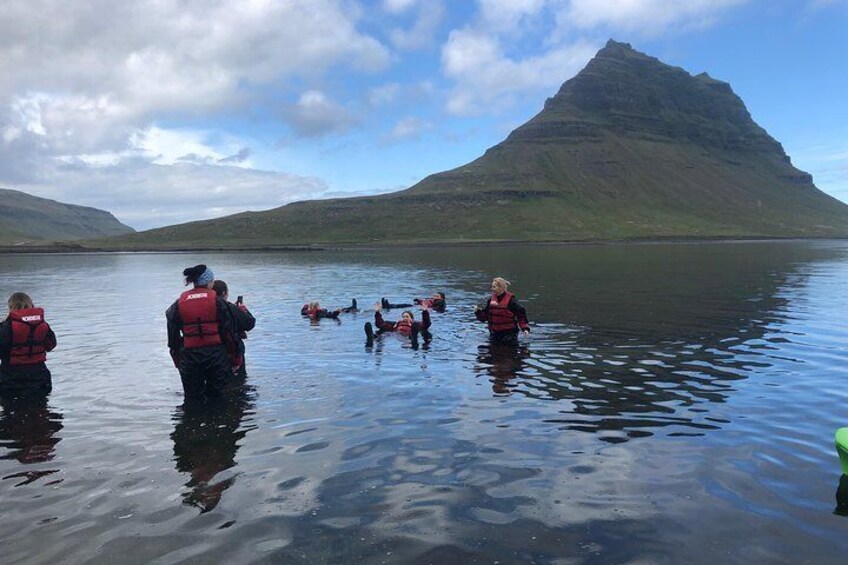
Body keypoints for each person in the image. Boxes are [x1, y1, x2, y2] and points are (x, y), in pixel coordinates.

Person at [166, 265, 236, 400]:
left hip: (190, 357)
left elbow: (173, 336)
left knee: (192, 399)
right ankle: (218, 419)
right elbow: (228, 333)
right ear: (209, 282)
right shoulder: (218, 302)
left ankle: (192, 419)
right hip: (215, 356)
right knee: (218, 397)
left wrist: (178, 357)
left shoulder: (179, 303)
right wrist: (234, 356)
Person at [0, 292, 57, 392]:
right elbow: (51, 345)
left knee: (12, 406)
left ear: (10, 307)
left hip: (11, 377)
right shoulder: (42, 325)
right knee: (41, 406)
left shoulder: (5, 327)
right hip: (39, 375)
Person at [212, 280, 256, 379]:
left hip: (212, 351)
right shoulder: (230, 308)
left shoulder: (206, 308)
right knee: (238, 381)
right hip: (232, 350)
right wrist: (244, 310)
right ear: (224, 293)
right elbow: (250, 323)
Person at [475, 277, 530, 346]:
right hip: (495, 333)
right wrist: (478, 312)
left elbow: (521, 315)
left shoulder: (511, 301)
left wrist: (525, 328)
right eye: (492, 287)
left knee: (508, 352)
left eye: (494, 287)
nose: (491, 289)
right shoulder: (490, 301)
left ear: (501, 287)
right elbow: (485, 317)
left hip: (509, 333)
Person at [365, 301, 431, 348]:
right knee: (384, 334)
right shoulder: (397, 324)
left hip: (408, 336)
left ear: (411, 318)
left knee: (412, 337)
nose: (405, 318)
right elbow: (380, 324)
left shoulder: (415, 324)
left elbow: (426, 324)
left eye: (407, 317)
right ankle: (371, 336)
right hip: (396, 334)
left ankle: (413, 342)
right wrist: (377, 312)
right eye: (403, 317)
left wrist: (425, 312)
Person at [381, 293, 446, 313]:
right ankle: (388, 305)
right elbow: (423, 301)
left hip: (422, 308)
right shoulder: (431, 299)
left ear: (441, 298)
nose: (434, 297)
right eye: (434, 295)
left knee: (405, 306)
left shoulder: (441, 301)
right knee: (405, 304)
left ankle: (388, 306)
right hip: (419, 306)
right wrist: (418, 300)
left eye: (437, 296)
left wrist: (428, 308)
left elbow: (439, 307)